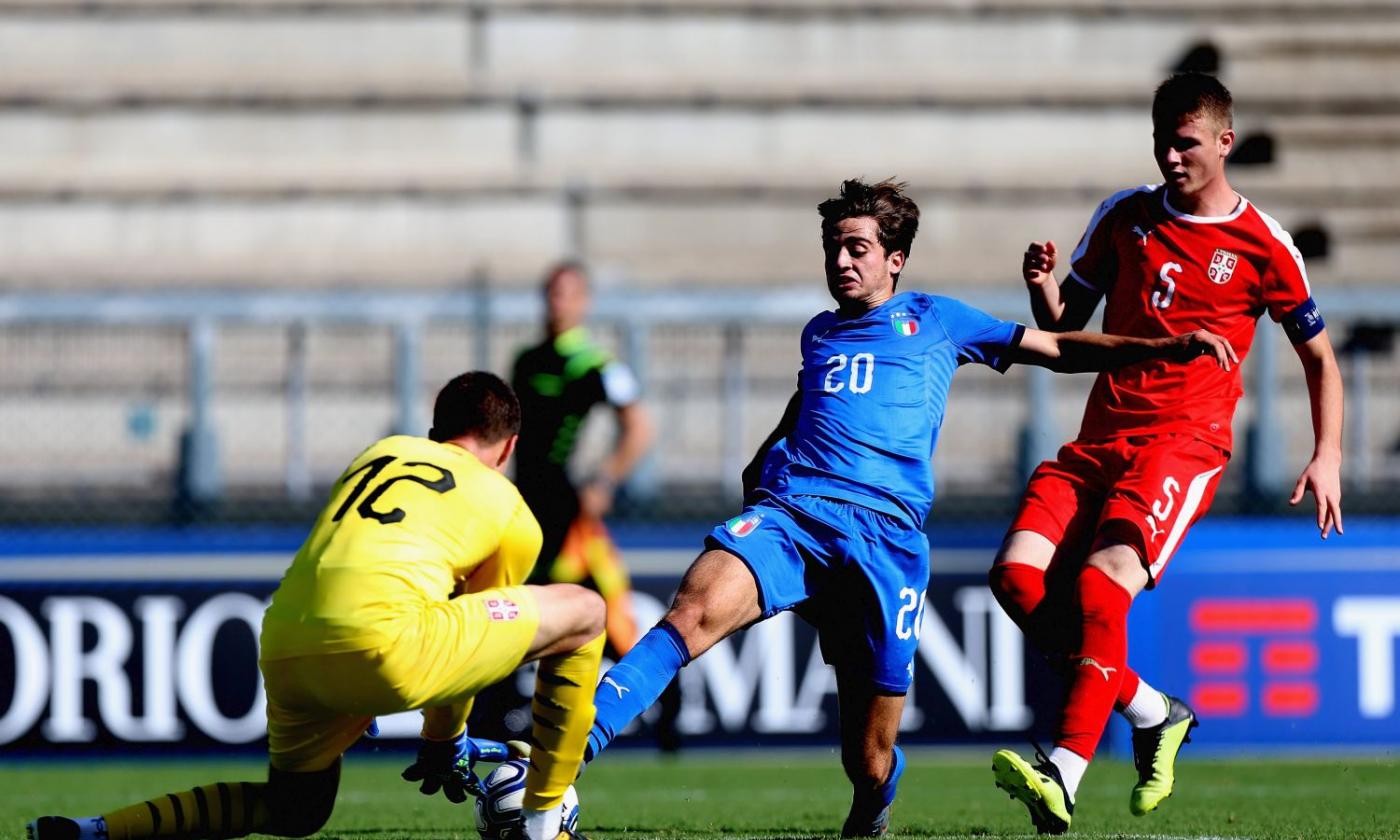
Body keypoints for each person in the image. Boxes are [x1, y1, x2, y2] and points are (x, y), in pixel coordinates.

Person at [576, 178, 1237, 837]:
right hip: (794, 518)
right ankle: (558, 763)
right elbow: (811, 404)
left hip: (885, 545)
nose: (842, 261)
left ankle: (875, 803)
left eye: (857, 247)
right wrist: (766, 457)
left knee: (866, 758)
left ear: (895, 259)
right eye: (834, 247)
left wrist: (1163, 348)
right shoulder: (819, 334)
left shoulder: (939, 320)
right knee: (689, 614)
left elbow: (1058, 348)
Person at [988, 72, 1344, 835]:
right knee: (1015, 580)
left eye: (1185, 142)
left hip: (1182, 445)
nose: (1170, 156)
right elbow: (1063, 330)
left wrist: (1328, 455)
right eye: (1160, 141)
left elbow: (1320, 358)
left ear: (1224, 141)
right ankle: (1154, 712)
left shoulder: (1264, 245)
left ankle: (1066, 772)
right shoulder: (1124, 216)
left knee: (1099, 586)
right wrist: (1043, 289)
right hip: (1098, 439)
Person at [28, 372, 605, 840]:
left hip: (284, 643)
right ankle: (542, 823)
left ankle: (94, 832)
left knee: (294, 812)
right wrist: (440, 740)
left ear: (433, 433)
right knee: (585, 613)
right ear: (509, 448)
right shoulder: (509, 508)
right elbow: (474, 639)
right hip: (388, 643)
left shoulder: (378, 453)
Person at [500, 262, 681, 748]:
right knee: (518, 597)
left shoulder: (593, 364)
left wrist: (605, 478)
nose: (558, 304)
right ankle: (497, 714)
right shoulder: (527, 360)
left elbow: (640, 427)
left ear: (584, 302)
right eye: (551, 294)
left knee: (590, 599)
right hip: (522, 500)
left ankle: (667, 702)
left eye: (568, 295)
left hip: (561, 501)